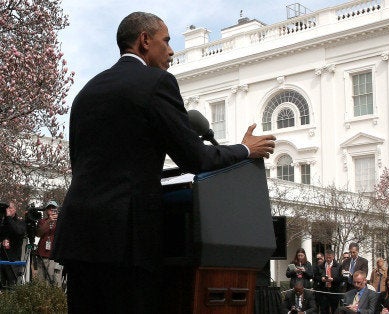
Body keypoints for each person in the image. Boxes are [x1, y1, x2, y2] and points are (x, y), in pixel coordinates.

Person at [51, 12, 276, 314]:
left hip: (79, 237)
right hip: (126, 244)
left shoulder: (86, 92)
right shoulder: (157, 83)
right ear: (144, 41)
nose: (171, 51)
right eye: (166, 41)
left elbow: (80, 163)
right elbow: (195, 157)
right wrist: (244, 150)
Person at [33, 201, 63, 286]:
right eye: (49, 208)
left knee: (53, 278)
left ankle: (54, 298)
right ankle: (41, 298)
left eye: (53, 208)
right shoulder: (42, 221)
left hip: (55, 255)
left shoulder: (61, 221)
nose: (51, 210)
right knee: (41, 279)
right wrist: (49, 221)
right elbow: (38, 234)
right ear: (46, 210)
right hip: (42, 253)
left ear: (57, 209)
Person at [0, 201, 26, 289]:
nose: (8, 210)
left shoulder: (20, 222)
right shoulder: (2, 222)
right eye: (6, 209)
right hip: (1, 260)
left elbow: (18, 231)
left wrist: (8, 218)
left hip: (13, 261)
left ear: (15, 209)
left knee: (12, 289)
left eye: (10, 208)